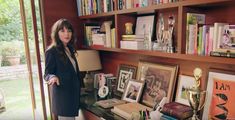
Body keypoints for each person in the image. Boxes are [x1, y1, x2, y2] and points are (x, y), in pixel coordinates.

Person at [44, 18, 80, 120]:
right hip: (63, 98)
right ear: (56, 33)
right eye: (62, 31)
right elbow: (47, 73)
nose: (66, 34)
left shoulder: (69, 48)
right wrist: (52, 77)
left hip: (73, 95)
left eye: (69, 30)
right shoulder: (51, 51)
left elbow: (73, 72)